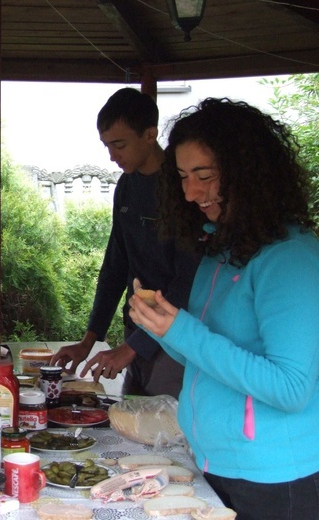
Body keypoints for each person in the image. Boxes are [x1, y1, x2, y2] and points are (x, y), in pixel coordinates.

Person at [129, 98, 319, 520]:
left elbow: (290, 387)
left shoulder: (290, 259)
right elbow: (204, 354)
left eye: (205, 176)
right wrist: (164, 328)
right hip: (218, 465)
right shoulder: (223, 248)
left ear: (248, 174)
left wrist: (183, 331)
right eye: (181, 177)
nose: (191, 192)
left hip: (274, 478)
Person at [51, 88, 199, 398]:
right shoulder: (127, 186)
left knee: (166, 430)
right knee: (131, 420)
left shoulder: (185, 189)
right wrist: (88, 341)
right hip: (137, 329)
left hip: (177, 338)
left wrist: (131, 349)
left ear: (149, 134)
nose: (112, 156)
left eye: (119, 145)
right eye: (107, 146)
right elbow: (115, 267)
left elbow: (189, 282)